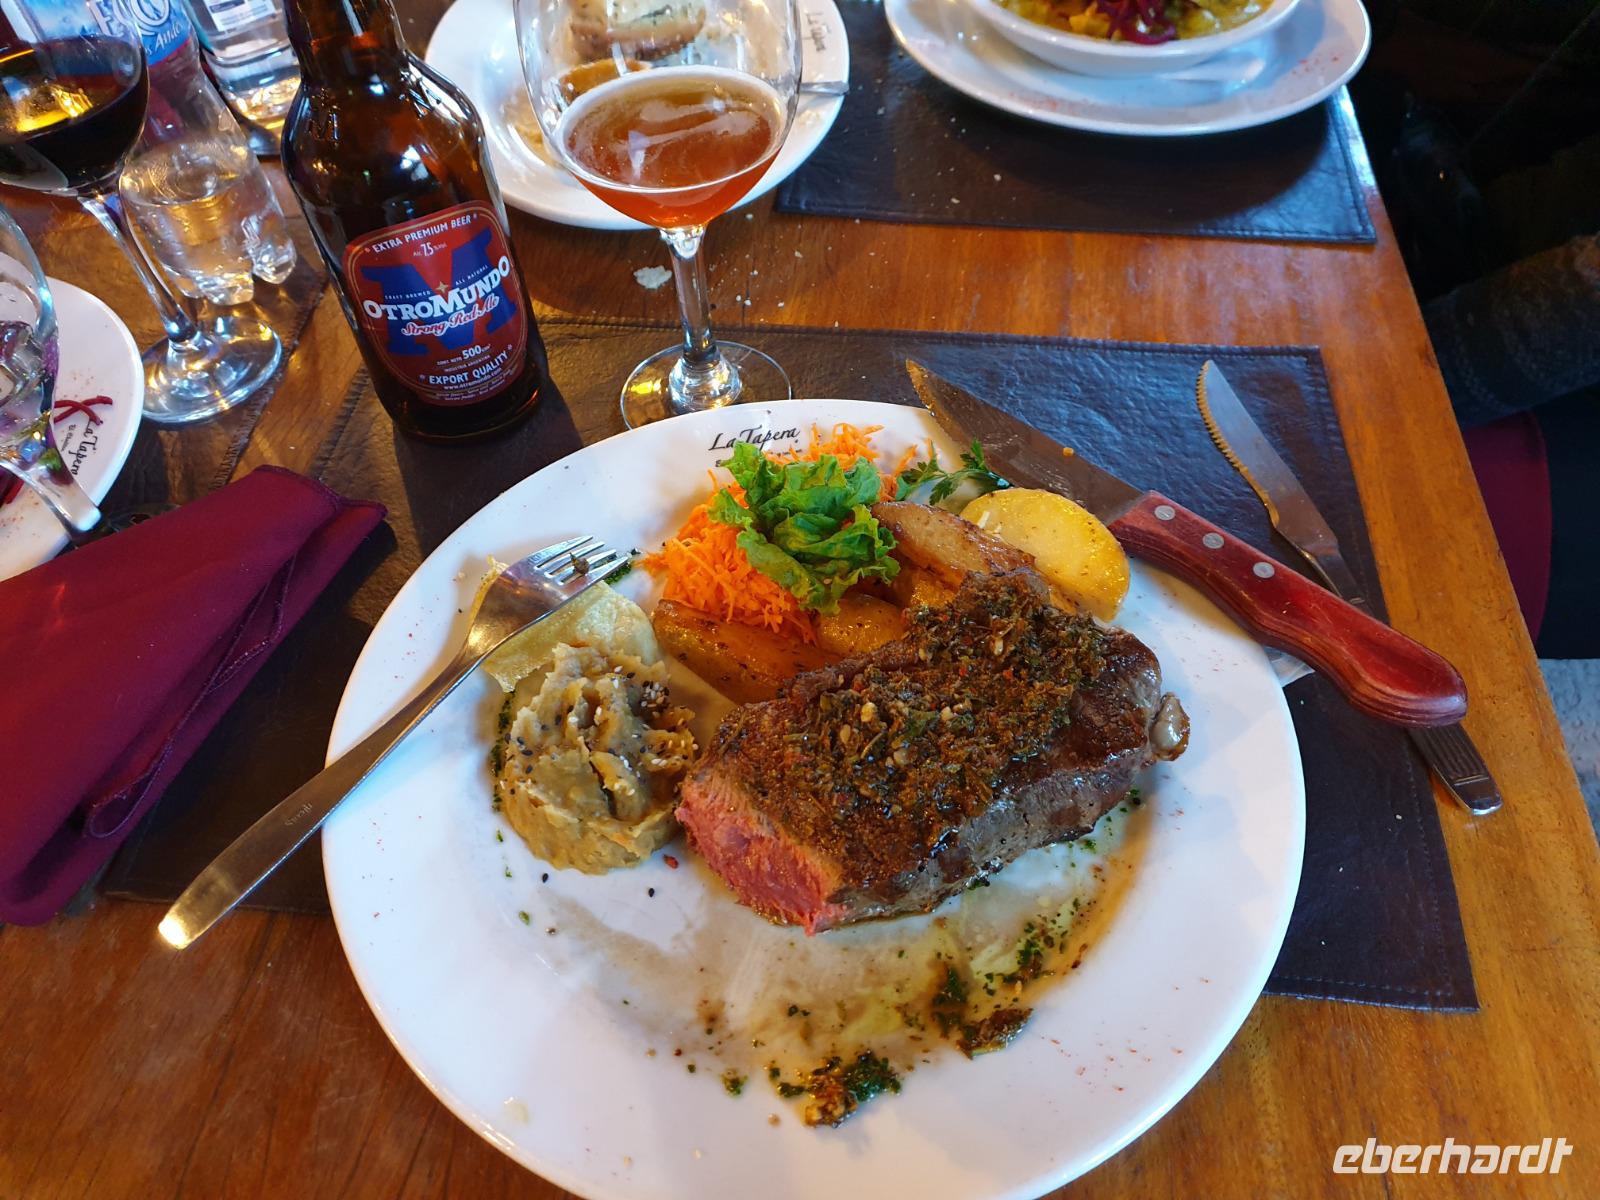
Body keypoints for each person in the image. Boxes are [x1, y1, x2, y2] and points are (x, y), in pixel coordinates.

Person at [1351, 0, 1599, 657]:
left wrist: (1389, 379)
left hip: (1568, 405)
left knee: (1365, 536)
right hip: (1514, 231)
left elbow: (1582, 302)